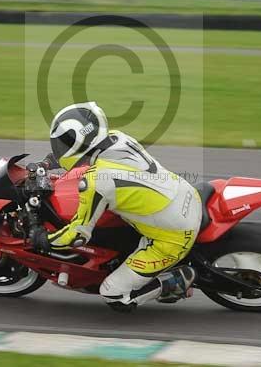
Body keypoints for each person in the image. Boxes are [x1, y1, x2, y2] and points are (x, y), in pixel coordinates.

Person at [31, 102, 202, 311]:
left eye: (63, 144)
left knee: (114, 295)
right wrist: (48, 163)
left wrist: (42, 240)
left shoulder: (96, 182)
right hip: (185, 195)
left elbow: (78, 236)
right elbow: (84, 157)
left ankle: (175, 281)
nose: (59, 148)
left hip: (173, 236)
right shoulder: (117, 138)